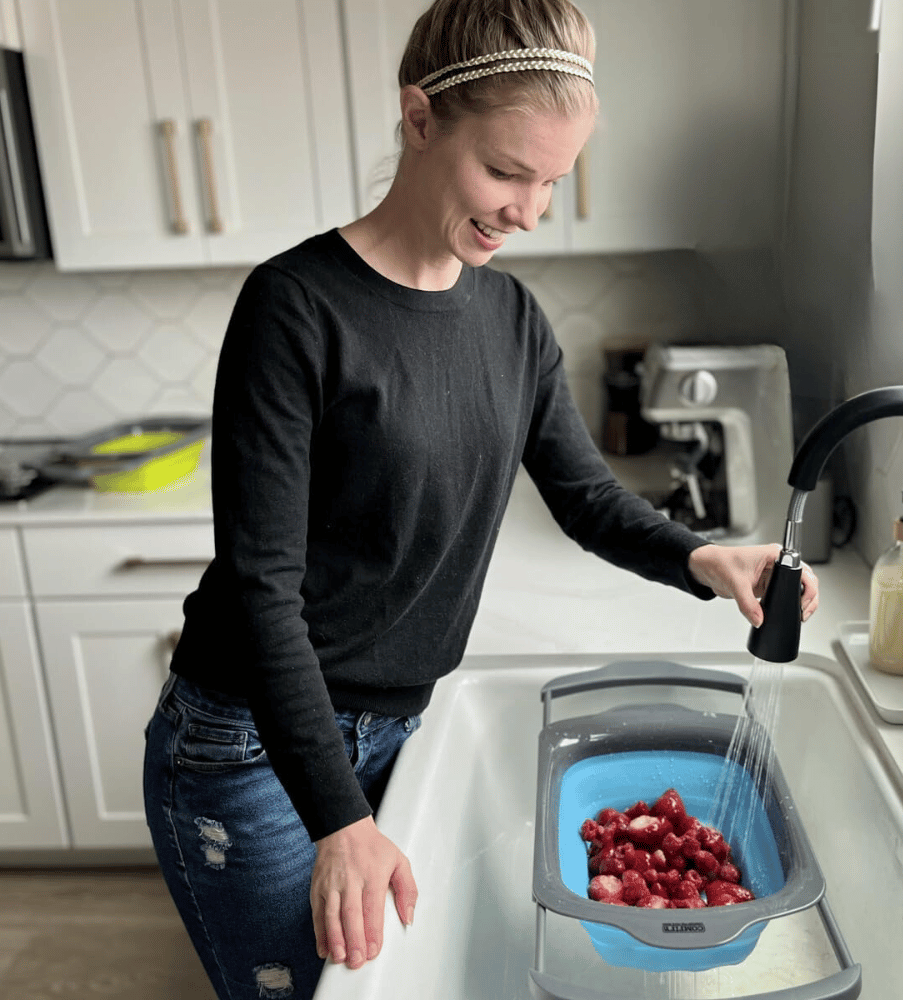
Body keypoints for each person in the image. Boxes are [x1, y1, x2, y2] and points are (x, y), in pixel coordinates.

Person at [143, 1, 819, 998]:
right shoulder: (296, 308)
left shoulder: (509, 317)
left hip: (395, 728)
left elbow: (585, 497)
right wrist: (340, 820)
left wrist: (702, 559)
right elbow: (260, 589)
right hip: (247, 745)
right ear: (421, 120)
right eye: (506, 172)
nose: (530, 210)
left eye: (552, 180)